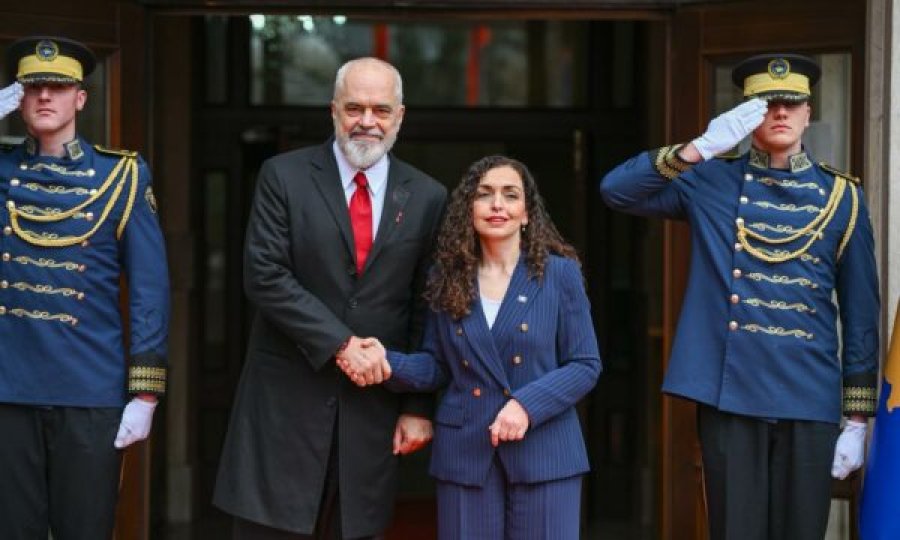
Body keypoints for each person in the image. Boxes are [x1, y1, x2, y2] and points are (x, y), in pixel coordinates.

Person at [599, 53, 879, 539]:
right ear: (746, 114)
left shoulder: (842, 197)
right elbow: (616, 190)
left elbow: (861, 314)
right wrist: (699, 148)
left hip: (808, 396)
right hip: (732, 395)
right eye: (766, 103)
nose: (780, 112)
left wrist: (857, 418)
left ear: (808, 112)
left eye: (791, 103)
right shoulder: (711, 179)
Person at [213, 57, 448, 539]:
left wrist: (418, 405)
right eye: (354, 108)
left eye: (381, 110)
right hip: (284, 407)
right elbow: (265, 275)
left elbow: (426, 307)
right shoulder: (283, 176)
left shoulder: (428, 196)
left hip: (372, 412)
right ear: (334, 111)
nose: (367, 121)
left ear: (400, 116)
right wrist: (342, 344)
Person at [344, 155, 601, 539]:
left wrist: (525, 406)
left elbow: (585, 364)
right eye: (484, 194)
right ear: (469, 209)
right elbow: (437, 365)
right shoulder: (446, 278)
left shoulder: (559, 274)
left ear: (526, 213)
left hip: (545, 450)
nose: (498, 205)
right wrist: (386, 361)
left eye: (510, 195)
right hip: (467, 451)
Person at [0, 36, 170, 539]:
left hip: (90, 388)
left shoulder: (122, 175)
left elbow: (150, 289)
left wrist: (145, 393)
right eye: (33, 87)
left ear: (80, 98)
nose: (44, 96)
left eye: (57, 86)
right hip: (9, 388)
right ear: (18, 100)